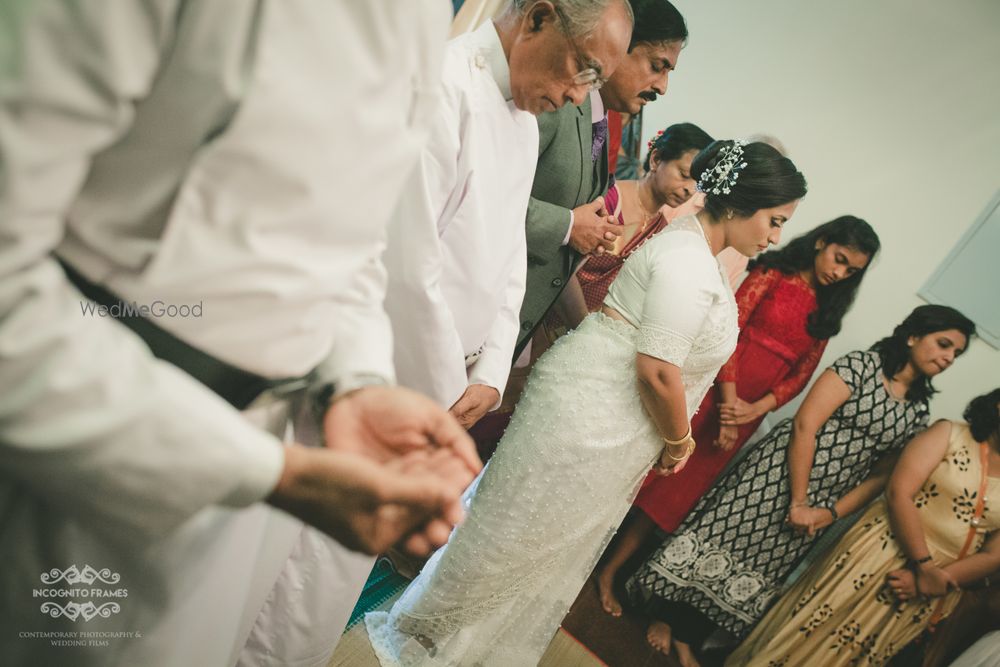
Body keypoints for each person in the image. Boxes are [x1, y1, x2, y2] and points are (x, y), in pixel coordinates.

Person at [0, 2, 481, 666]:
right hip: (58, 449)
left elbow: (350, 244)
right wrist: (270, 471)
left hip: (248, 487)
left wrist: (357, 383)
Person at [365, 140, 808, 666]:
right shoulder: (688, 261)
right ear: (739, 205)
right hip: (593, 416)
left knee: (532, 538)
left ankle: (460, 643)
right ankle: (432, 637)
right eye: (775, 220)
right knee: (516, 534)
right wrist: (678, 439)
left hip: (609, 416)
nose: (776, 237)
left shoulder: (700, 256)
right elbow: (658, 369)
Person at [628, 305, 976, 667]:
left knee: (760, 563)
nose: (949, 357)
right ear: (913, 336)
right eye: (944, 344)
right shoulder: (861, 366)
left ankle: (689, 636)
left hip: (830, 495)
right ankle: (664, 616)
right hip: (783, 470)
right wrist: (798, 499)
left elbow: (881, 476)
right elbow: (805, 425)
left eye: (956, 353)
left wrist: (828, 514)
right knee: (726, 536)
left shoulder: (918, 411)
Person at [597, 215, 880, 617]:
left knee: (670, 500)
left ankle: (611, 570)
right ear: (822, 242)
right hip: (711, 393)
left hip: (745, 414)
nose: (840, 273)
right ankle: (584, 548)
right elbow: (733, 330)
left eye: (851, 271)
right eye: (839, 259)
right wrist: (729, 406)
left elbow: (801, 375)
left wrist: (755, 410)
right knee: (643, 472)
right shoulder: (774, 272)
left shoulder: (827, 312)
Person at [382, 0, 634, 431]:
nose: (579, 95)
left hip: (454, 380)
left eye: (596, 83)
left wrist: (491, 374)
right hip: (394, 366)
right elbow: (408, 265)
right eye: (585, 70)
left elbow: (511, 259)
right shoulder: (444, 85)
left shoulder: (525, 121)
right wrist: (448, 390)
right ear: (538, 19)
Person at [728, 388, 1000, 666]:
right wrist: (925, 568)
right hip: (884, 549)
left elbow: (994, 554)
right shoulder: (949, 433)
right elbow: (898, 492)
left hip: (939, 582)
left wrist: (934, 581)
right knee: (812, 629)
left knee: (859, 654)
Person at [514, 0, 689, 360]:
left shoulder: (601, 123)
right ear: (621, 44)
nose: (663, 86)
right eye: (658, 67)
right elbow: (489, 195)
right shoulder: (558, 101)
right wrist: (568, 226)